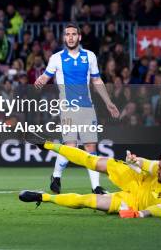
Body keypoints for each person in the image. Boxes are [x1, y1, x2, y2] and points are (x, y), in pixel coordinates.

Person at [34, 23, 120, 194]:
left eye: (74, 34)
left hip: (88, 108)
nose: (71, 37)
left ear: (79, 37)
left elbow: (96, 80)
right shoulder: (56, 58)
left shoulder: (90, 56)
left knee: (90, 146)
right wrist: (40, 80)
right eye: (68, 34)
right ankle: (56, 176)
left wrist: (108, 102)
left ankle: (95, 187)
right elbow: (46, 76)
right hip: (67, 107)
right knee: (71, 146)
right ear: (64, 38)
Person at [20, 133, 161, 218]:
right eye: (159, 166)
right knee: (92, 160)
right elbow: (146, 164)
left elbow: (160, 210)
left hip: (134, 203)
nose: (158, 169)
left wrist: (139, 214)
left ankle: (44, 197)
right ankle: (48, 145)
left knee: (86, 201)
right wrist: (134, 160)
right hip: (138, 178)